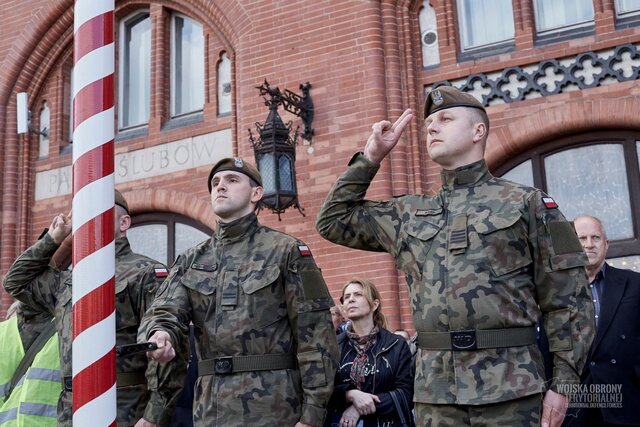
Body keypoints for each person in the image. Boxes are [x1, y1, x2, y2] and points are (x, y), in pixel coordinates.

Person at [316, 86, 594, 427]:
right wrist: (371, 157)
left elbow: (570, 299)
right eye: (429, 122)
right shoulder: (409, 213)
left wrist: (563, 384)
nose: (432, 127)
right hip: (436, 394)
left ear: (479, 131)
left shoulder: (527, 204)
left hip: (512, 390)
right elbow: (332, 221)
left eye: (445, 119)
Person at [141, 157, 339, 427]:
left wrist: (313, 415)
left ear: (256, 193)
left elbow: (316, 335)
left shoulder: (287, 250)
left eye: (232, 180)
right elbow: (165, 311)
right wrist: (161, 333)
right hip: (210, 410)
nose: (220, 187)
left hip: (275, 407)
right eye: (215, 183)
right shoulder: (191, 259)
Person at [3, 190, 179, 427]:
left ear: (124, 222)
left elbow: (168, 347)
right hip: (70, 410)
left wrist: (154, 415)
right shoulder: (67, 281)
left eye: (99, 211)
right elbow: (16, 281)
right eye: (85, 214)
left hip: (125, 406)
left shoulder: (146, 272)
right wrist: (53, 239)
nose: (90, 219)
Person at [563, 215, 640, 427]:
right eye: (582, 238)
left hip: (627, 398)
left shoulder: (635, 283)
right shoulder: (556, 291)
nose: (589, 244)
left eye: (595, 237)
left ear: (606, 244)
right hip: (575, 402)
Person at [325, 278, 414, 427]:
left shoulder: (396, 345)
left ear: (374, 304)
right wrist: (349, 394)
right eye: (347, 297)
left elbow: (406, 394)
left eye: (358, 294)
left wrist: (359, 408)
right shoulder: (333, 346)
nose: (351, 299)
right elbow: (322, 391)